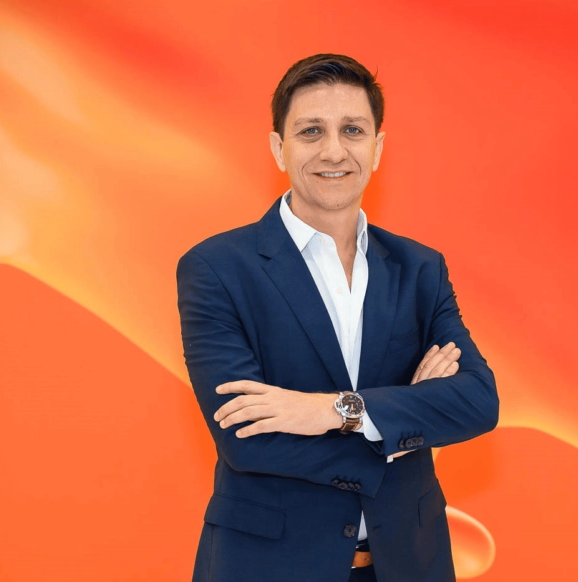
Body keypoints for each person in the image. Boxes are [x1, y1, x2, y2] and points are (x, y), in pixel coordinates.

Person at [176, 53, 499, 582]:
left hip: (409, 565)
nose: (334, 150)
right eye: (311, 131)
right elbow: (245, 436)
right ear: (278, 148)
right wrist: (402, 423)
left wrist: (334, 411)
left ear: (377, 148)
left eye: (352, 130)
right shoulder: (216, 268)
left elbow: (477, 402)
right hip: (270, 568)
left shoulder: (420, 268)